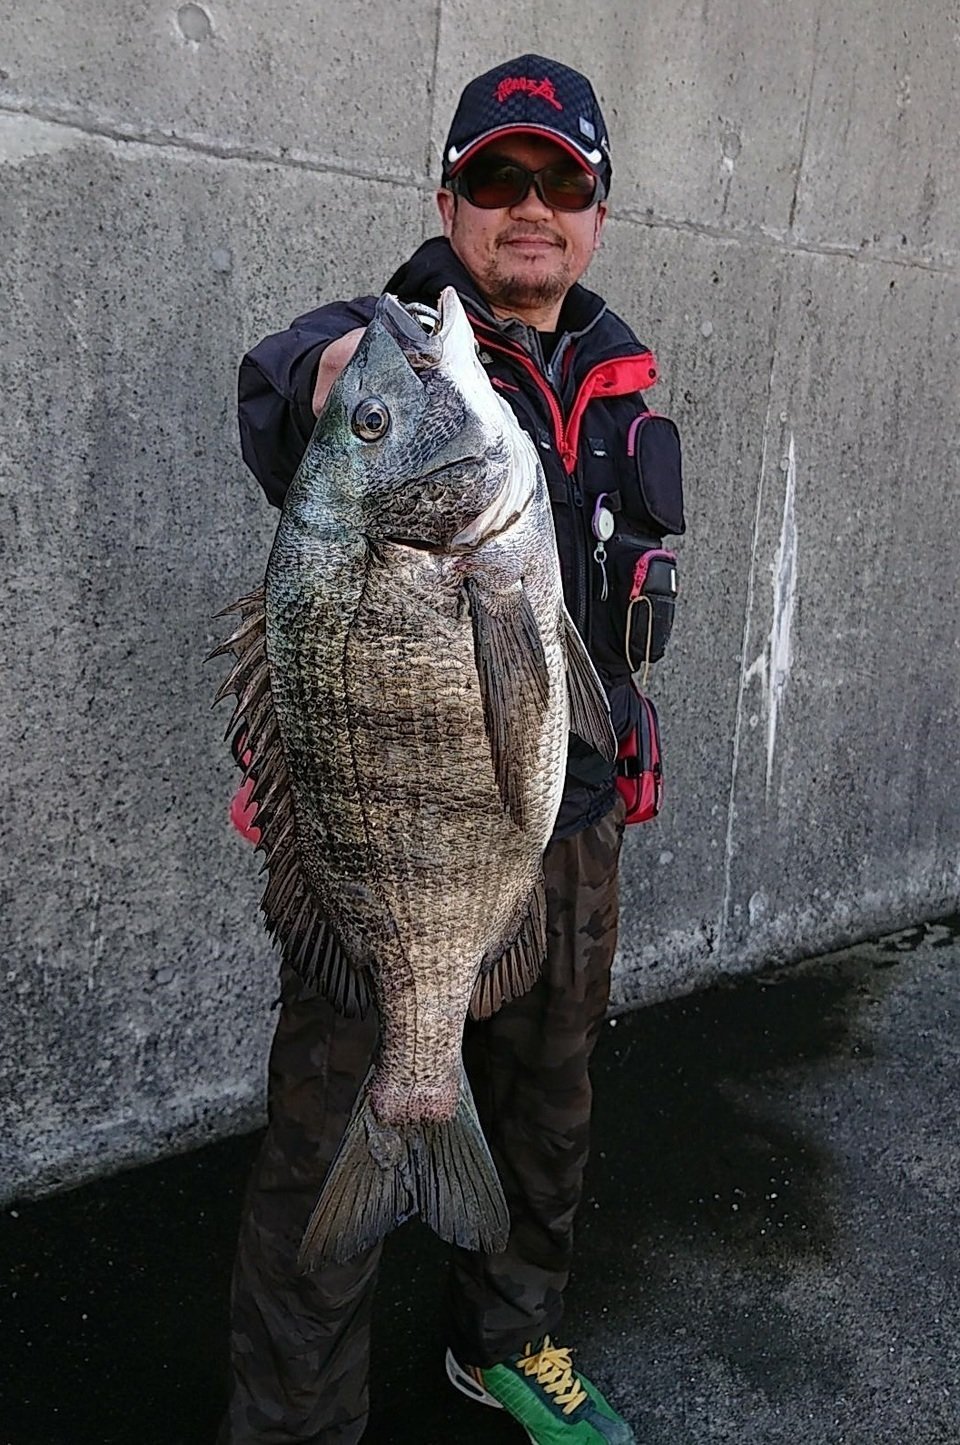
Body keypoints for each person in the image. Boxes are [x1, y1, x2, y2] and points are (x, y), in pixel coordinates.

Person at [221, 54, 684, 1445]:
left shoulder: (615, 374)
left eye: (561, 181)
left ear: (596, 210)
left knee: (548, 1117)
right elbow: (283, 382)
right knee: (321, 1155)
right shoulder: (394, 348)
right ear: (450, 199)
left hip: (569, 816)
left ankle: (506, 1339)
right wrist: (335, 383)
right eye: (497, 177)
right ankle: (295, 1427)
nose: (528, 205)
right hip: (395, 840)